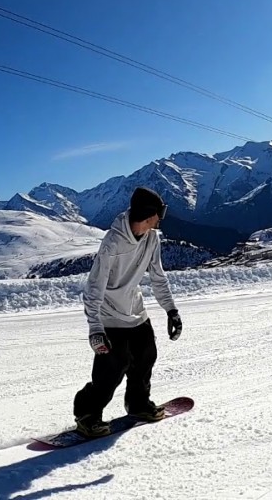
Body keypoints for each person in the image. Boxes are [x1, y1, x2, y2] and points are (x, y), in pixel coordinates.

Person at [73, 186, 183, 437]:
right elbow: (94, 286)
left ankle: (138, 404)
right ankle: (87, 414)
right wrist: (95, 329)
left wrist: (171, 310)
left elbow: (158, 276)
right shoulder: (112, 242)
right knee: (113, 367)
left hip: (135, 310)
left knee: (146, 355)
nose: (161, 219)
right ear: (148, 214)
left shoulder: (152, 238)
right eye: (160, 213)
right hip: (109, 314)